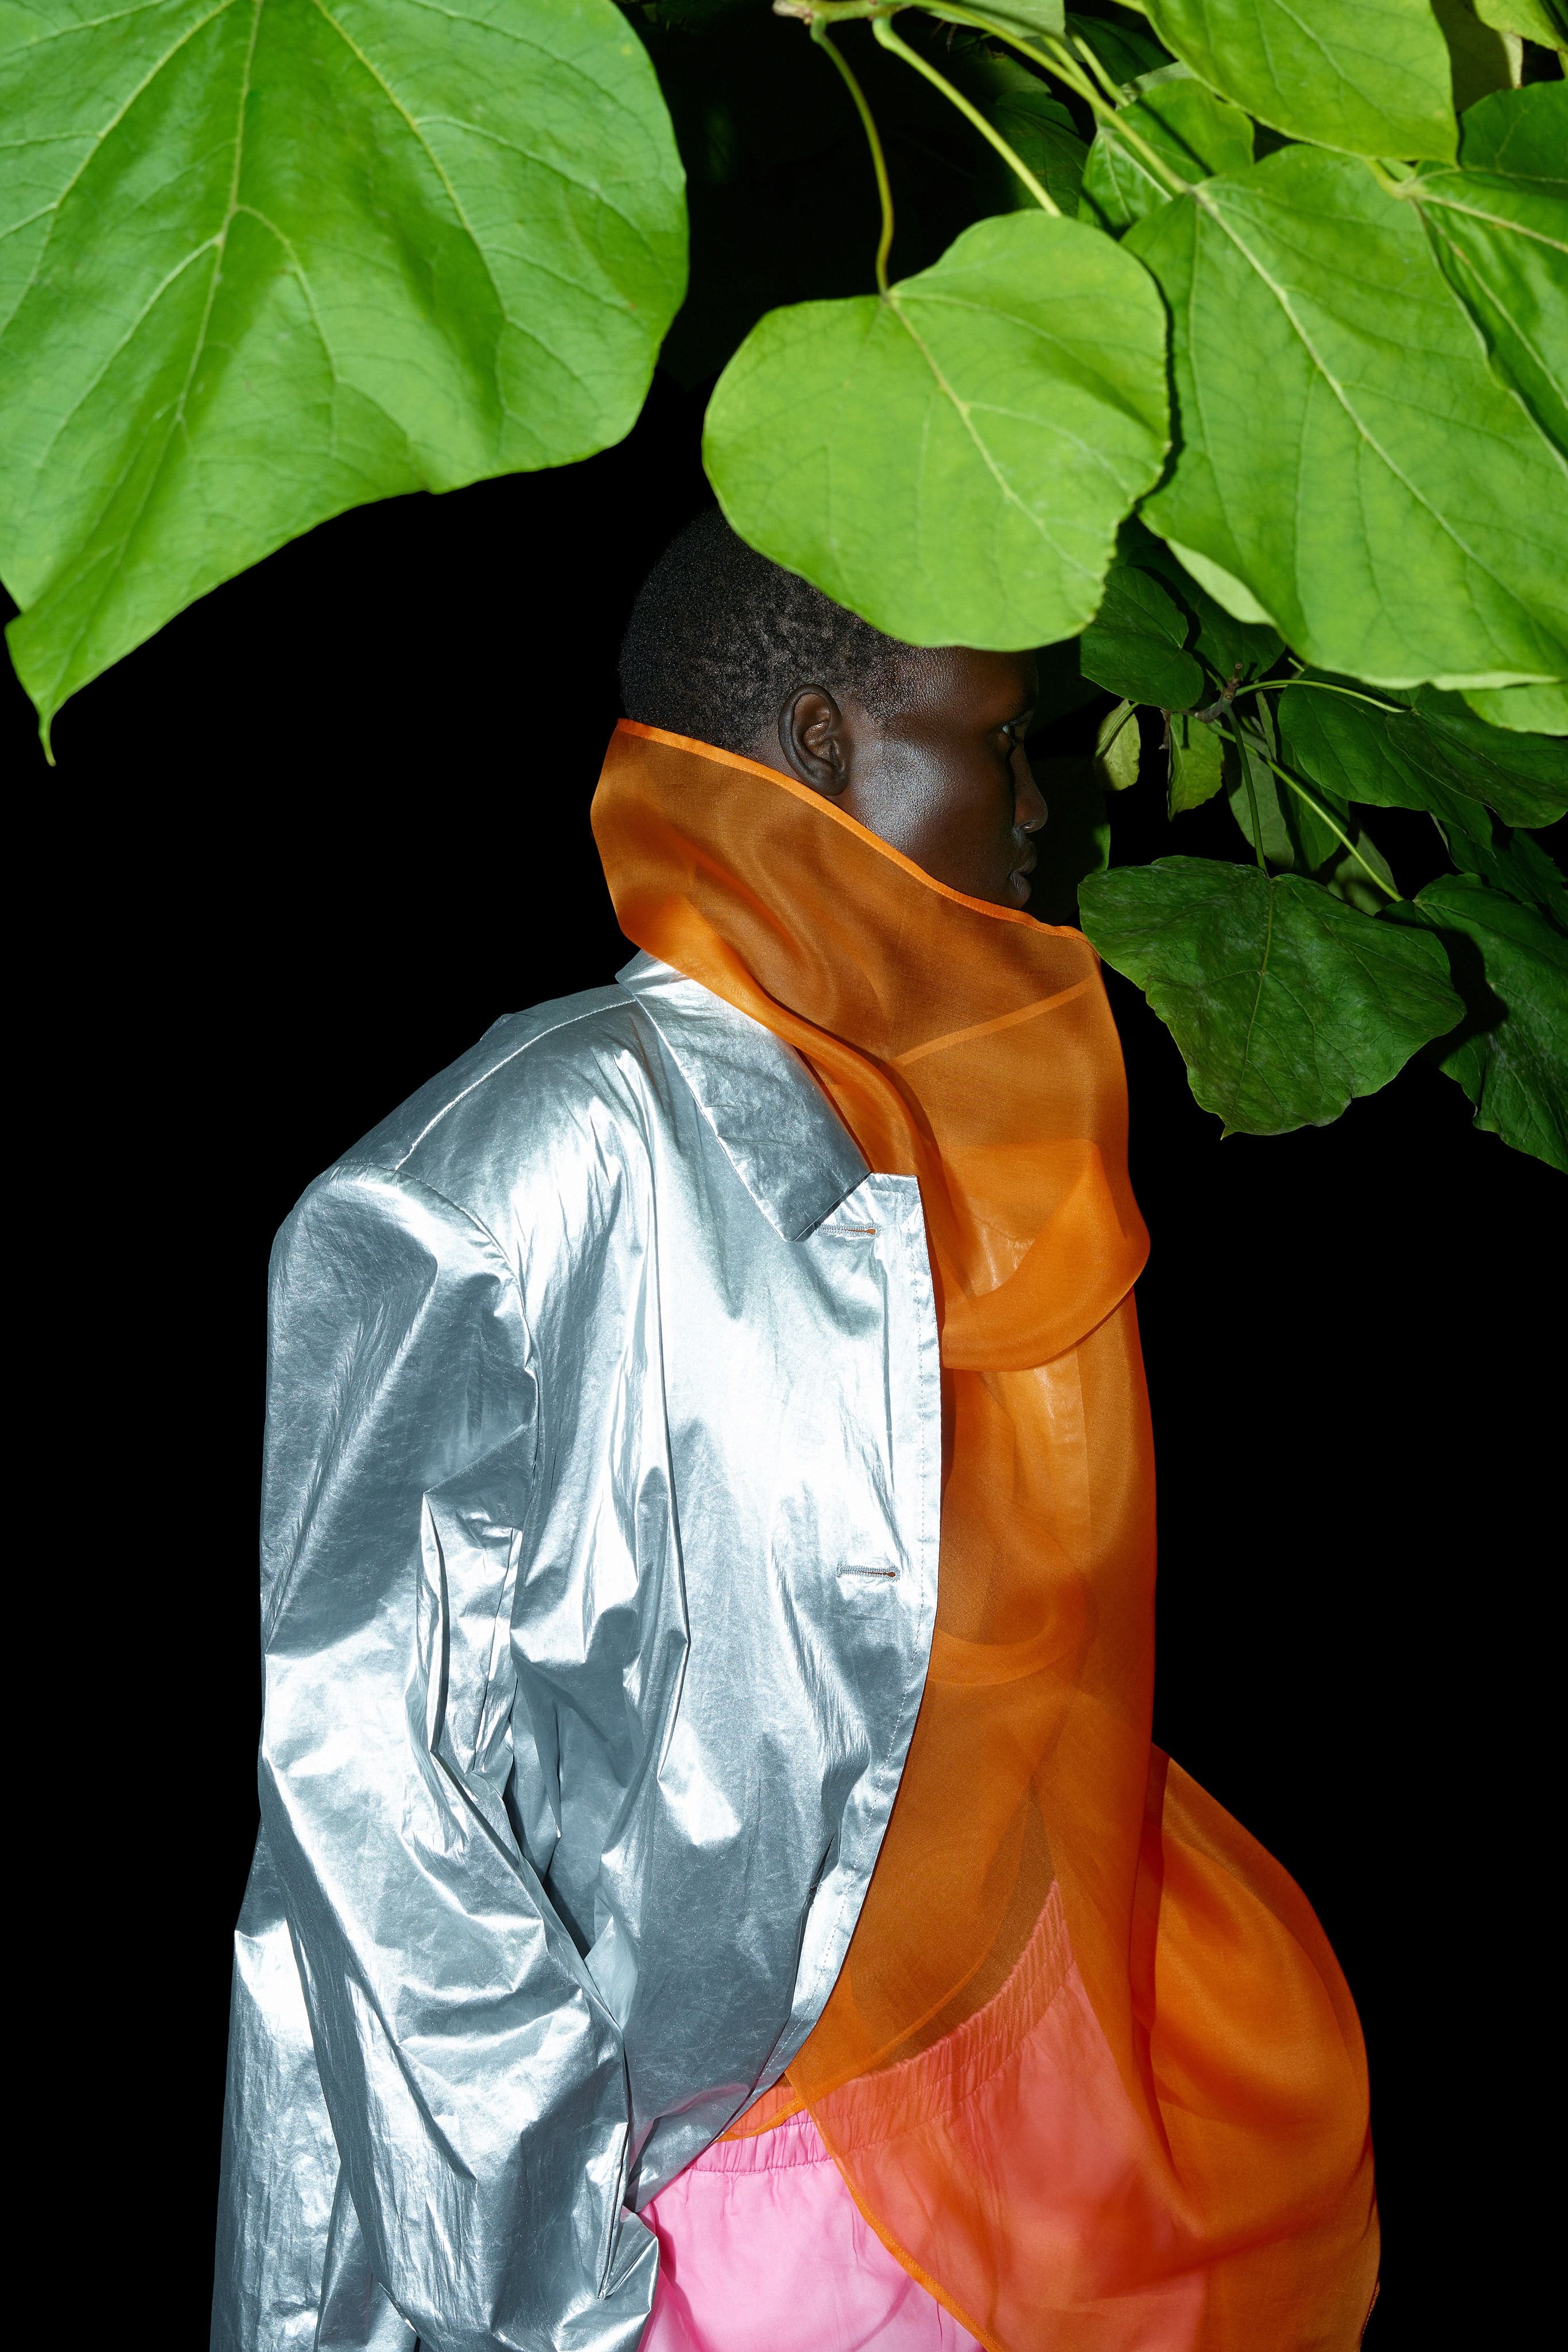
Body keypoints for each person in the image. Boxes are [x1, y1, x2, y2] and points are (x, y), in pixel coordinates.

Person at [212, 511, 1377, 2352]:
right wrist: (554, 2293)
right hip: (693, 2206)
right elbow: (377, 1798)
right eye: (993, 741)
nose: (1040, 806)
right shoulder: (522, 1170)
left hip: (1008, 2151)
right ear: (824, 741)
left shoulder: (974, 1159)